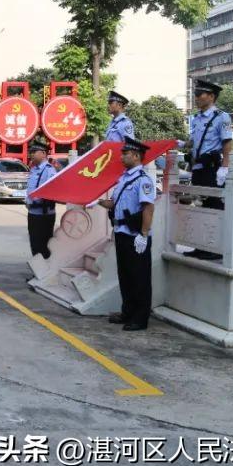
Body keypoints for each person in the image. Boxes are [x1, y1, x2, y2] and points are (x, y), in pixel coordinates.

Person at [99, 137, 156, 331]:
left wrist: (144, 234)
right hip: (121, 231)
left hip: (135, 235)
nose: (122, 156)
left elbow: (148, 208)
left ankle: (140, 318)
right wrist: (96, 201)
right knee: (125, 276)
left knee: (139, 277)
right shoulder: (124, 178)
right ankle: (128, 311)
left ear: (136, 156)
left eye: (126, 153)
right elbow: (113, 203)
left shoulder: (143, 180)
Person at [187, 78, 233, 220]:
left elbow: (227, 142)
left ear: (211, 96)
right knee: (200, 209)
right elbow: (195, 142)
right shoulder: (196, 118)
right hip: (197, 168)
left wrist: (224, 167)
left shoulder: (221, 117)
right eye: (195, 93)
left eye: (200, 93)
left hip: (212, 169)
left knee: (215, 208)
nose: (196, 97)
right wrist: (183, 143)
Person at [25, 144, 58, 260]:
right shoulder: (33, 169)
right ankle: (38, 272)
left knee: (44, 246)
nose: (31, 155)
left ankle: (45, 273)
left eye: (34, 152)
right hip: (33, 213)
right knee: (34, 244)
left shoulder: (49, 170)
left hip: (44, 215)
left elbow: (53, 191)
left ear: (43, 153)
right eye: (30, 152)